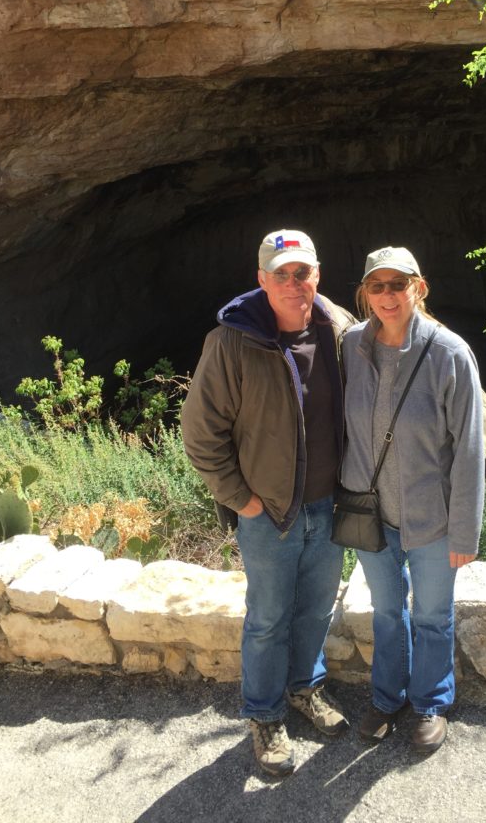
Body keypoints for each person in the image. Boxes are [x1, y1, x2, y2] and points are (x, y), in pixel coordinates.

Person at [181, 228, 355, 777]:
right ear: (261, 279)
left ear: (317, 275)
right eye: (280, 273)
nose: (292, 283)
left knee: (315, 608)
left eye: (302, 272)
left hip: (328, 506)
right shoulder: (232, 342)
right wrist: (243, 501)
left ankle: (305, 688)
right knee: (267, 619)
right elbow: (200, 434)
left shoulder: (338, 330)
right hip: (268, 514)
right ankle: (264, 716)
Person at [341, 245, 485, 753]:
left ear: (417, 288)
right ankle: (387, 698)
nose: (386, 295)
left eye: (396, 285)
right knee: (385, 611)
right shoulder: (352, 348)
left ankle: (429, 703)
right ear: (365, 293)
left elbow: (469, 449)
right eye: (376, 286)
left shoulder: (449, 353)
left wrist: (465, 530)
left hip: (433, 518)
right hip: (372, 516)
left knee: (431, 615)